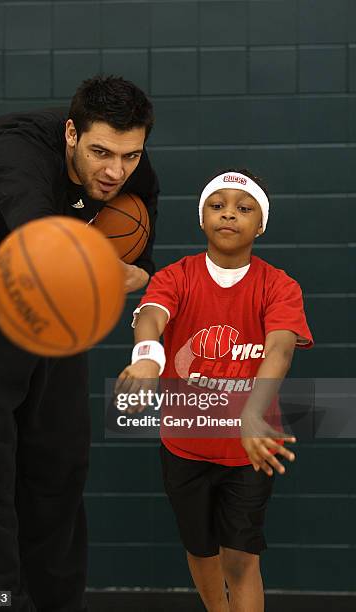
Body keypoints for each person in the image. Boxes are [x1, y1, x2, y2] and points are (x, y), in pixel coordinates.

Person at [0, 76, 158, 611]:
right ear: (71, 133)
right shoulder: (12, 152)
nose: (116, 171)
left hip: (56, 323)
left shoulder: (130, 169)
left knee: (59, 477)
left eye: (130, 155)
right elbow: (42, 244)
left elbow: (140, 257)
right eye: (101, 152)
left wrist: (138, 275)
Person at [116, 169, 313, 612]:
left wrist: (253, 411)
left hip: (249, 449)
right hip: (185, 446)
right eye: (217, 205)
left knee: (241, 561)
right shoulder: (175, 276)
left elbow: (279, 350)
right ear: (201, 217)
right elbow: (151, 314)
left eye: (243, 208)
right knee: (202, 553)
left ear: (260, 224)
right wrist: (147, 355)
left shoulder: (279, 286)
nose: (229, 214)